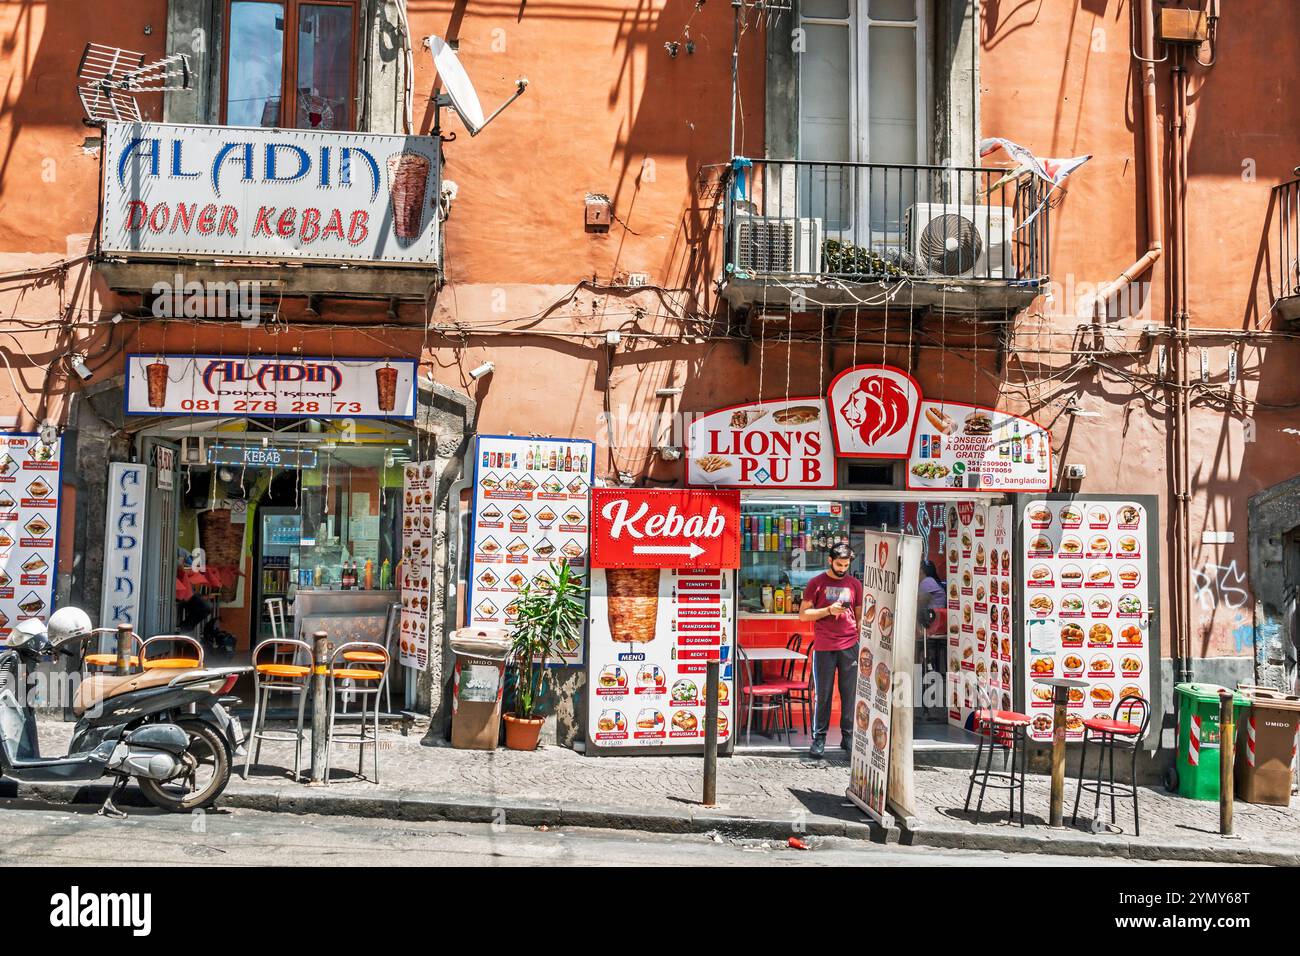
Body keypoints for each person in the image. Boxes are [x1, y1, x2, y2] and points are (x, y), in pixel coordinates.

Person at [798, 542, 864, 758]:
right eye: (839, 564)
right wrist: (828, 610)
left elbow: (860, 616)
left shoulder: (855, 584)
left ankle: (848, 737)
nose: (842, 568)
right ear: (830, 560)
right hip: (825, 646)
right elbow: (803, 615)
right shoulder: (816, 583)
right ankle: (819, 739)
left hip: (850, 645)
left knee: (849, 694)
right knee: (823, 694)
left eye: (846, 565)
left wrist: (861, 642)